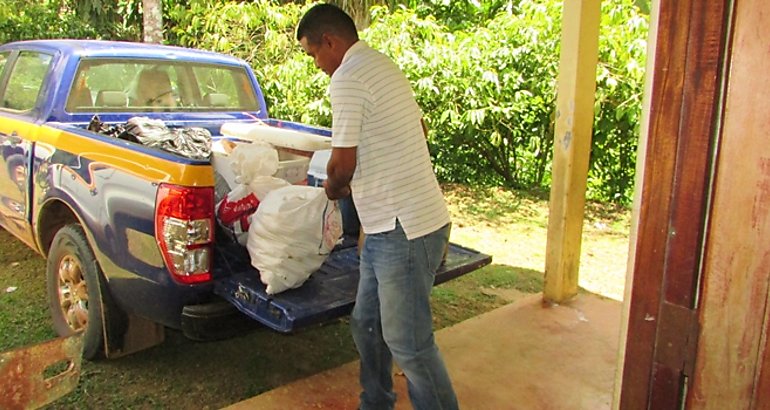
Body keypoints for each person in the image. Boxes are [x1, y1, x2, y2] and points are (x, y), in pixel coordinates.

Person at [297, 4, 457, 410]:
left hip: (406, 229)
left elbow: (341, 165)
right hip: (390, 224)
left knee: (410, 344)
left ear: (330, 41)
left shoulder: (347, 78)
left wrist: (332, 190)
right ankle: (376, 403)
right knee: (367, 323)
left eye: (313, 54)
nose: (317, 65)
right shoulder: (380, 65)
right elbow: (416, 130)